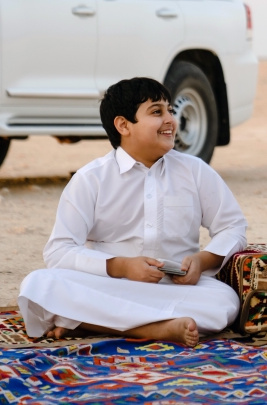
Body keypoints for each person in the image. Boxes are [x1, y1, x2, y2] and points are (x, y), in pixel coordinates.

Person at [17, 78, 247, 347]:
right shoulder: (91, 178)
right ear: (123, 125)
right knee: (38, 285)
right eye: (156, 112)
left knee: (226, 302)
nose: (170, 120)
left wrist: (202, 261)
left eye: (170, 110)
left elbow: (233, 226)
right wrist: (121, 266)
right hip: (109, 286)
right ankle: (160, 329)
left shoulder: (195, 171)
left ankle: (90, 324)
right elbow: (58, 251)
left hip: (173, 289)